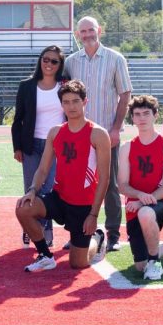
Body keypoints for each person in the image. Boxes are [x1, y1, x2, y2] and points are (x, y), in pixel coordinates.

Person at [15, 80, 109, 271]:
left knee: (77, 264)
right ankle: (45, 255)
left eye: (75, 101)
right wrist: (32, 190)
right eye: (66, 102)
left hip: (83, 205)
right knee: (23, 208)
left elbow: (105, 178)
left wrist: (93, 214)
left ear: (85, 102)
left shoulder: (98, 134)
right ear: (61, 104)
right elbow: (42, 169)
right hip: (59, 198)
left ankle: (97, 239)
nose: (71, 106)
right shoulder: (55, 132)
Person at [64, 16, 132, 253]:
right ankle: (77, 231)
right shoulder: (71, 62)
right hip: (79, 135)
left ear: (99, 31)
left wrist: (115, 128)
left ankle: (113, 234)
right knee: (78, 184)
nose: (87, 34)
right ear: (77, 34)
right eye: (82, 31)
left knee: (110, 184)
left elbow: (125, 94)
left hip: (105, 134)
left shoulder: (115, 58)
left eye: (90, 30)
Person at [117, 95, 163, 281]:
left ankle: (155, 263)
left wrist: (143, 202)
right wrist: (138, 197)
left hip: (158, 202)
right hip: (134, 205)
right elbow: (122, 185)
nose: (142, 118)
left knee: (145, 213)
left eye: (146, 113)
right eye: (137, 114)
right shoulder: (126, 148)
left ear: (156, 115)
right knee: (140, 266)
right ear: (132, 117)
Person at [11, 45, 66, 247]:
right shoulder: (27, 85)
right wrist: (17, 147)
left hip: (56, 144)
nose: (49, 64)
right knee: (31, 187)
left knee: (49, 189)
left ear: (60, 65)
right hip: (31, 144)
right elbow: (18, 120)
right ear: (40, 61)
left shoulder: (65, 86)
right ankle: (30, 229)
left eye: (54, 61)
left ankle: (46, 229)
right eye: (45, 59)